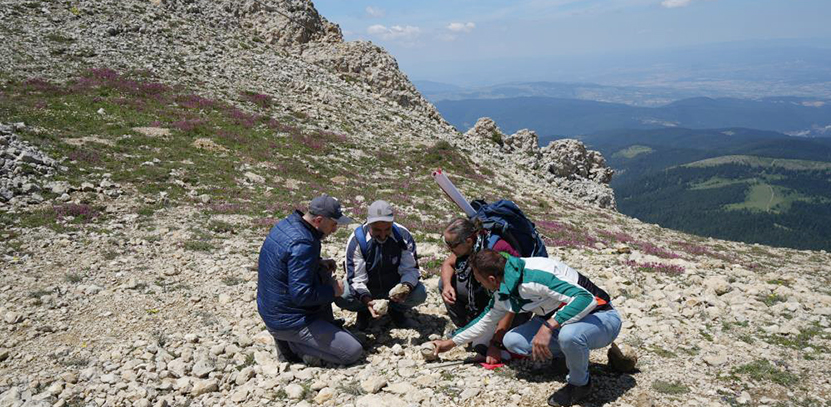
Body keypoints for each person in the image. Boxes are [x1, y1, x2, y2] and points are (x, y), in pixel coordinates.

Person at [431, 249, 622, 407]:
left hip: (600, 317)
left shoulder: (535, 276)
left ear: (491, 278)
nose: (480, 284)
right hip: (564, 321)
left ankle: (580, 383)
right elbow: (486, 320)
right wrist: (451, 342)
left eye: (479, 280)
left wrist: (548, 326)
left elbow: (585, 299)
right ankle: (565, 358)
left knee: (569, 335)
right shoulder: (504, 286)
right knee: (513, 341)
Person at [257, 194, 363, 365]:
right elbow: (302, 295)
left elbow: (286, 261)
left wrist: (317, 262)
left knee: (323, 272)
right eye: (333, 224)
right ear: (319, 220)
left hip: (273, 311)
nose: (335, 229)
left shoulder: (289, 224)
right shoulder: (304, 244)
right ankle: (293, 347)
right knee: (352, 351)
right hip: (288, 320)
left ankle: (290, 338)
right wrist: (334, 290)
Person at [438, 217, 528, 362]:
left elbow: (511, 301)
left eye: (452, 245)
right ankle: (469, 328)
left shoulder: (496, 249)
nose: (450, 249)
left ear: (468, 240)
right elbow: (448, 263)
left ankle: (496, 334)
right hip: (490, 295)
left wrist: (496, 343)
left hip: (514, 303)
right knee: (443, 283)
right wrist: (448, 286)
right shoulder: (469, 245)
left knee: (500, 342)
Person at [336, 200, 427, 330]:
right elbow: (356, 279)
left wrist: (405, 287)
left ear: (392, 223)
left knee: (419, 293)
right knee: (343, 296)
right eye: (377, 230)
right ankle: (364, 311)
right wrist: (366, 300)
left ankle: (396, 311)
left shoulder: (403, 236)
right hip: (369, 289)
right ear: (368, 224)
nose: (383, 235)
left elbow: (411, 269)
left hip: (394, 287)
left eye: (387, 229)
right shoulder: (357, 240)